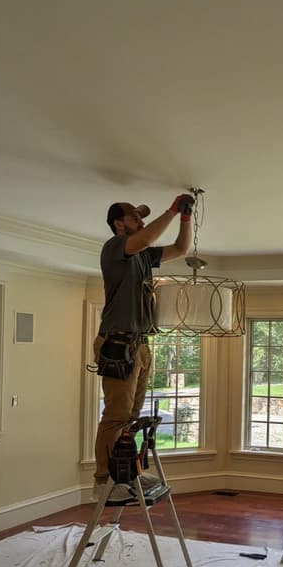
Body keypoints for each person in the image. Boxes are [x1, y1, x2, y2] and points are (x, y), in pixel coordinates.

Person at [93, 193, 196, 499]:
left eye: (141, 216)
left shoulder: (143, 256)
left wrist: (185, 219)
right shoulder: (115, 248)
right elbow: (145, 237)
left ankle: (125, 476)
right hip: (118, 342)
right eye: (134, 216)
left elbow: (180, 248)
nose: (140, 220)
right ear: (118, 224)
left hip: (139, 344)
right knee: (116, 416)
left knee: (131, 417)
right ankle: (102, 483)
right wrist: (171, 210)